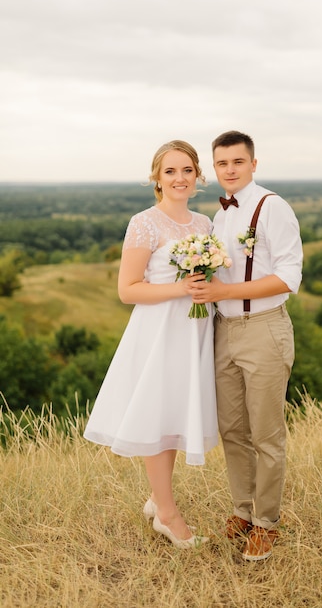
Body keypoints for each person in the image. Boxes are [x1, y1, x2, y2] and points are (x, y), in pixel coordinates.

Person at [84, 140, 218, 549]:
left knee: (174, 418)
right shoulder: (144, 223)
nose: (179, 178)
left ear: (197, 176)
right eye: (170, 171)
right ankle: (167, 513)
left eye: (187, 170)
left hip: (194, 331)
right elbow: (128, 289)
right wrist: (180, 289)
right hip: (159, 332)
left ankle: (157, 499)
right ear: (157, 179)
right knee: (158, 419)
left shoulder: (205, 225)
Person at [188, 130, 303, 561]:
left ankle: (268, 523)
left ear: (254, 164)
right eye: (222, 163)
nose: (230, 170)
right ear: (214, 169)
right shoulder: (219, 217)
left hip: (264, 329)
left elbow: (289, 276)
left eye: (238, 162)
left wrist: (223, 294)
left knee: (266, 434)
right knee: (233, 430)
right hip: (224, 331)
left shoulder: (273, 207)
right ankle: (242, 511)